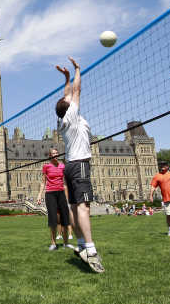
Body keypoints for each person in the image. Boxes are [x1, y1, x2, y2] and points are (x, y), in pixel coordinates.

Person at [55, 57, 104, 273]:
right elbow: (76, 91)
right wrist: (77, 70)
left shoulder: (63, 120)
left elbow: (67, 95)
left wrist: (65, 78)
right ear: (69, 109)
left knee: (75, 207)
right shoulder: (72, 115)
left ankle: (82, 245)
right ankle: (91, 249)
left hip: (69, 166)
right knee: (84, 206)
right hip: (80, 163)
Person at [37, 148, 71, 250]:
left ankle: (66, 243)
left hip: (61, 193)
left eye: (57, 153)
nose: (56, 155)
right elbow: (43, 182)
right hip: (50, 194)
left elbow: (65, 184)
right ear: (50, 156)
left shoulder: (62, 166)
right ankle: (53, 243)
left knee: (65, 219)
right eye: (54, 154)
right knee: (53, 219)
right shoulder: (46, 167)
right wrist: (39, 195)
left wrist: (67, 199)